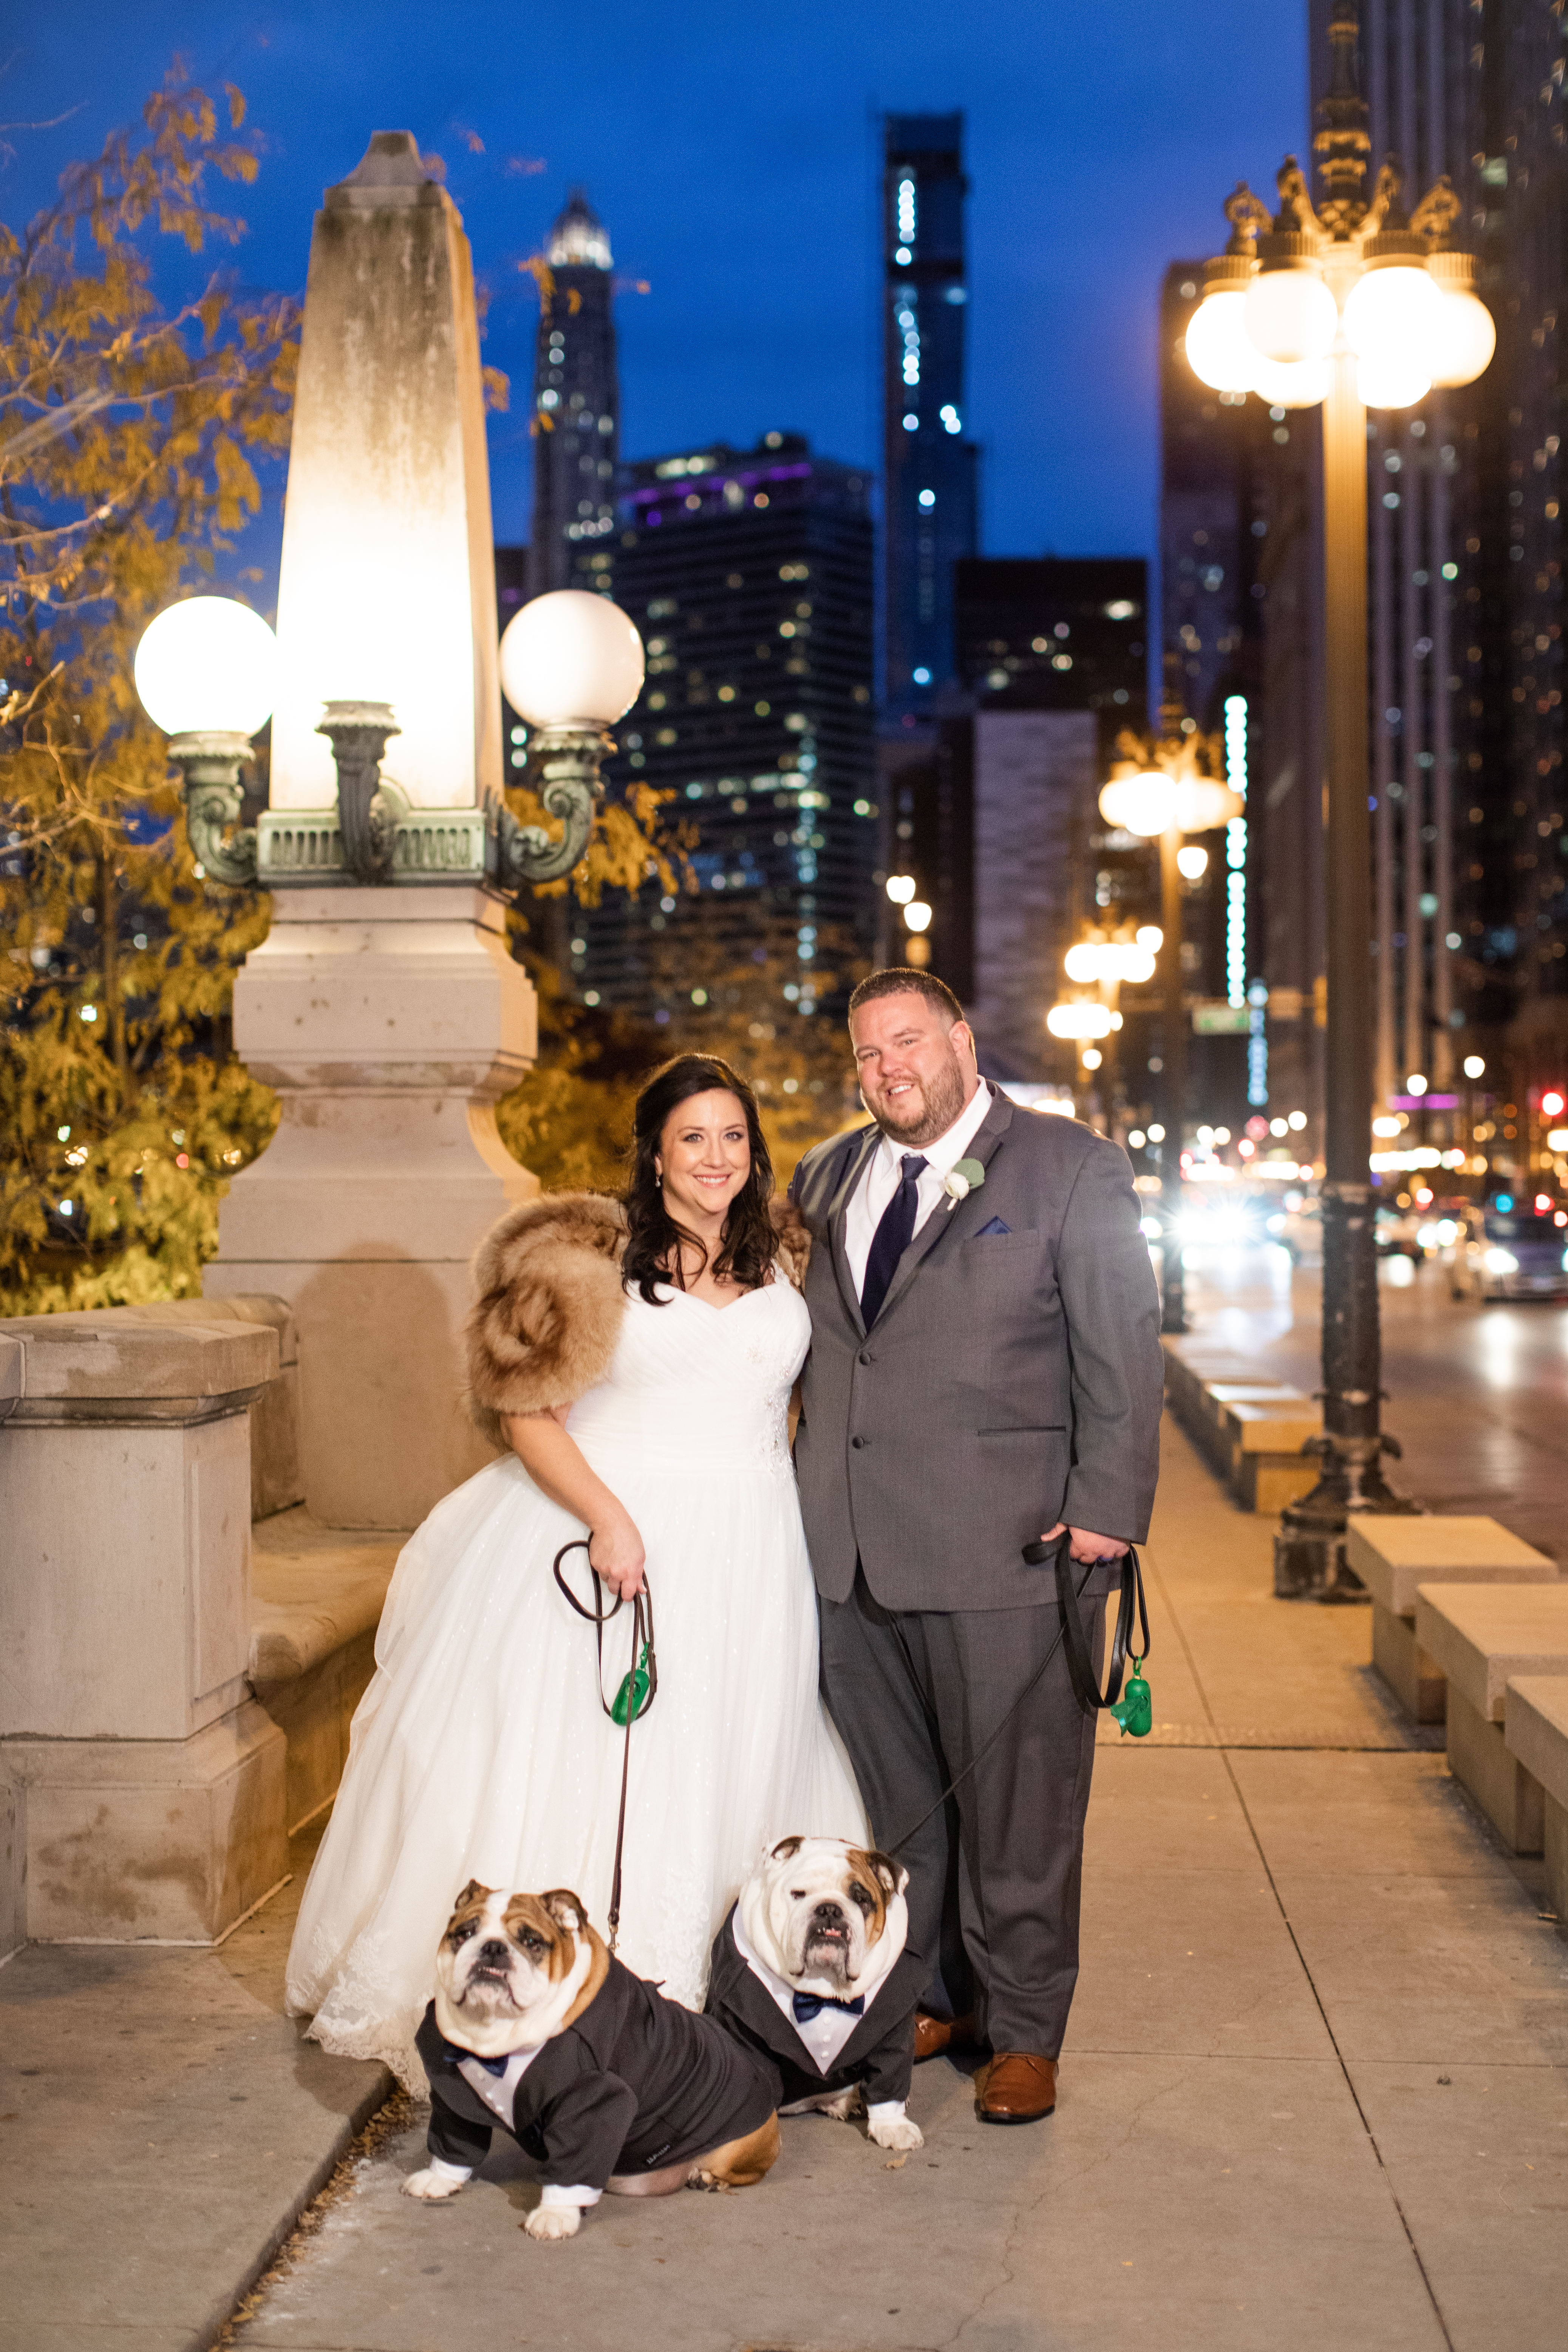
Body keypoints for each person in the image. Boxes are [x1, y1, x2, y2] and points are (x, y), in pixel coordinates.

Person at [287, 1055, 864, 2089]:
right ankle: (570, 1999)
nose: (715, 1157)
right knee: (588, 1759)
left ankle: (704, 1996)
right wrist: (608, 1516)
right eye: (693, 1136)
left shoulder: (784, 1255)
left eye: (733, 1136)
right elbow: (522, 1411)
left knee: (727, 1747)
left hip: (753, 1543)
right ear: (655, 1151)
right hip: (614, 1531)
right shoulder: (592, 1256)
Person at [787, 969, 1163, 2126]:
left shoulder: (1071, 1166)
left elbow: (1124, 1342)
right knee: (903, 1806)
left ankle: (1026, 2029)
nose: (888, 1066)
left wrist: (1108, 1504)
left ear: (959, 1037)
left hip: (1010, 1550)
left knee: (1023, 1807)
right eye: (866, 1052)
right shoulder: (827, 1174)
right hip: (850, 1555)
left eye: (907, 1040)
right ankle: (936, 1993)